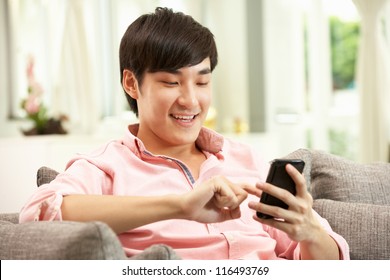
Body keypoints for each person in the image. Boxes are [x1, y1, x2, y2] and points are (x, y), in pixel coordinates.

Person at [19, 7, 349, 260]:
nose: (191, 100)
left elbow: (333, 260)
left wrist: (310, 232)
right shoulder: (106, 166)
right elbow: (39, 215)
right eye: (171, 82)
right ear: (132, 83)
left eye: (202, 82)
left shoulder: (244, 159)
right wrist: (179, 206)